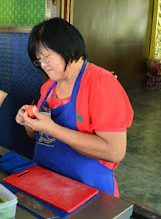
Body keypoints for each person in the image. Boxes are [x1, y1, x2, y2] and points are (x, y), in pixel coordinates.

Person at [15, 18, 133, 197]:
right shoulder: (49, 88)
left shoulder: (101, 83)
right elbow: (38, 136)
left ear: (67, 47)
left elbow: (114, 151)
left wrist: (53, 128)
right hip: (48, 184)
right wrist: (28, 122)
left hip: (90, 191)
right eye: (39, 60)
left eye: (47, 57)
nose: (43, 65)